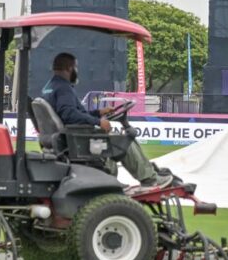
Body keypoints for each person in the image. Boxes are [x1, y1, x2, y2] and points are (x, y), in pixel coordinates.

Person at [42, 52, 172, 188]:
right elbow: (69, 114)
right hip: (76, 139)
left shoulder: (50, 87)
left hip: (68, 138)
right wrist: (98, 122)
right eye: (76, 68)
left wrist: (98, 113)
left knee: (113, 146)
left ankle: (110, 180)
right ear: (69, 68)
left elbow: (72, 113)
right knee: (124, 142)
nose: (76, 71)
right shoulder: (64, 88)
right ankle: (149, 179)